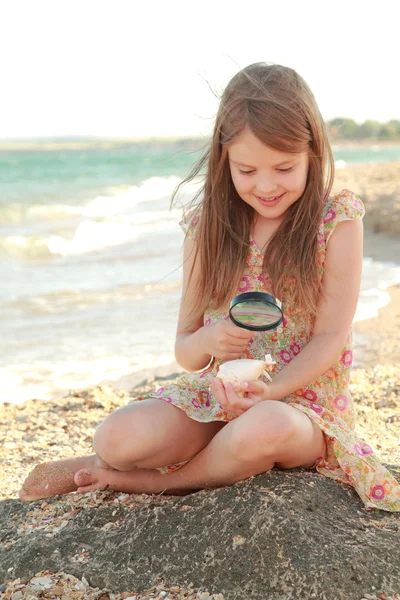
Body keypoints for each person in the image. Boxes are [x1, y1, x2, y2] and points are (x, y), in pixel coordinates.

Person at [19, 62, 400, 511]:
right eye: (247, 170)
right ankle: (153, 458)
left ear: (313, 153)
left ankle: (163, 481)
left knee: (264, 427)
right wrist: (209, 338)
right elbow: (186, 351)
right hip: (218, 402)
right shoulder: (206, 228)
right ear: (224, 161)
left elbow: (331, 337)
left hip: (300, 408)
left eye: (284, 167)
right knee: (118, 437)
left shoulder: (335, 219)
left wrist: (269, 392)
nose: (266, 185)